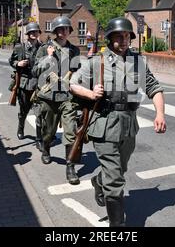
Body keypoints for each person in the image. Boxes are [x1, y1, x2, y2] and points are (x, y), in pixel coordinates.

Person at [70, 17, 167, 226]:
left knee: (119, 170)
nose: (124, 40)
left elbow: (154, 88)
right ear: (110, 38)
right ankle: (117, 225)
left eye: (127, 36)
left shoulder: (137, 62)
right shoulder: (98, 62)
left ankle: (98, 181)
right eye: (119, 36)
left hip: (128, 125)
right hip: (104, 124)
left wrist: (160, 113)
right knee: (115, 181)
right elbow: (72, 84)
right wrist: (90, 93)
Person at [32, 16, 81, 185]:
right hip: (48, 96)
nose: (63, 32)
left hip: (67, 97)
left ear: (69, 31)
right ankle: (46, 148)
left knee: (70, 133)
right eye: (59, 29)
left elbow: (77, 73)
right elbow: (35, 70)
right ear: (54, 31)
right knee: (49, 132)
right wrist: (48, 57)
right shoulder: (45, 48)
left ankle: (70, 166)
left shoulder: (74, 50)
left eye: (66, 29)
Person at [8, 22, 43, 150]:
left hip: (38, 85)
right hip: (23, 84)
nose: (34, 34)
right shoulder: (20, 47)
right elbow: (11, 61)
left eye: (36, 32)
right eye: (31, 32)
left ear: (39, 33)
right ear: (28, 34)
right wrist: (18, 63)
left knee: (39, 113)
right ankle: (20, 128)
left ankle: (39, 139)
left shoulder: (43, 48)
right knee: (23, 111)